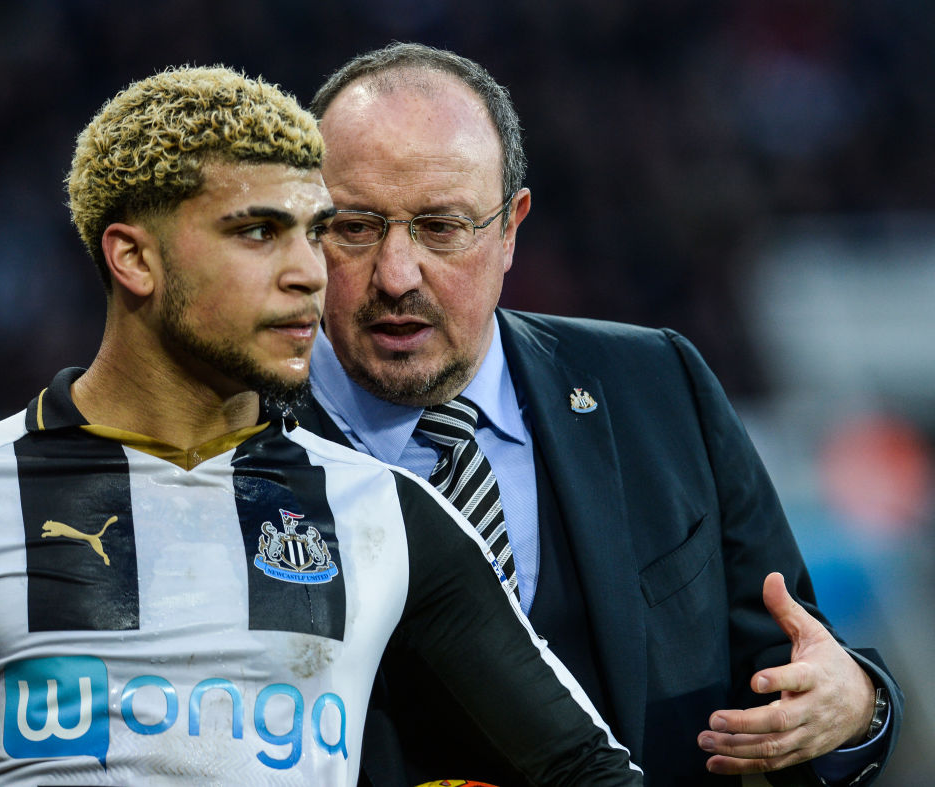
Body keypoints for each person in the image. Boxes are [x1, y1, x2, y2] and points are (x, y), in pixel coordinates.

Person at [0, 65, 642, 785]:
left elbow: (588, 768)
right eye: (259, 231)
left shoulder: (384, 512)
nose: (308, 273)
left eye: (316, 230)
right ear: (134, 257)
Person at [288, 43, 903, 786]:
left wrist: (858, 704)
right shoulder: (227, 442)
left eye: (442, 226)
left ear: (510, 227)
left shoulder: (657, 384)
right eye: (355, 226)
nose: (396, 274)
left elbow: (794, 667)